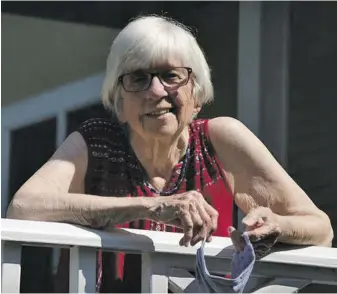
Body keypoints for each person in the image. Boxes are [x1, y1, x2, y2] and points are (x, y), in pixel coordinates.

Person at [7, 15, 333, 293]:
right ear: (118, 103)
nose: (156, 91)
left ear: (197, 94)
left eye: (171, 76)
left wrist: (275, 226)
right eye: (138, 78)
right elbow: (25, 207)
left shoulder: (220, 139)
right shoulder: (96, 141)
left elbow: (320, 228)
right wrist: (152, 207)